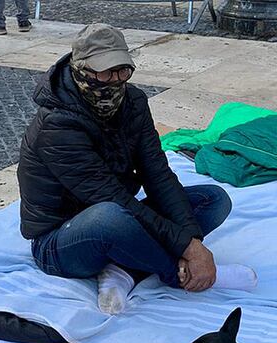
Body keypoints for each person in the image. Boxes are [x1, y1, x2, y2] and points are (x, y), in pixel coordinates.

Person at [18, 23, 256, 314]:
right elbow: (110, 198)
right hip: (60, 240)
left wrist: (190, 239)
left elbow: (157, 174)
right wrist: (190, 252)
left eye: (122, 70)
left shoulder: (133, 102)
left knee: (214, 200)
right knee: (110, 217)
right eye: (105, 72)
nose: (115, 81)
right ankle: (183, 275)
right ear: (81, 70)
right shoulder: (57, 125)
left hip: (118, 215)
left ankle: (124, 271)